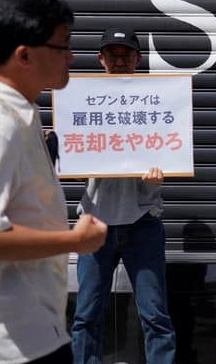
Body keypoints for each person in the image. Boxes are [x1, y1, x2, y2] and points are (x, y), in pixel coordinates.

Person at [0, 0, 108, 363]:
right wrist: (75, 241)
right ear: (24, 55)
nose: (71, 57)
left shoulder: (16, 113)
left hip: (27, 326)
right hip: (9, 341)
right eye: (63, 46)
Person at [70, 27, 177, 364]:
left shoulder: (156, 102)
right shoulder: (82, 100)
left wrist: (163, 170)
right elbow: (71, 160)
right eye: (112, 55)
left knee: (155, 315)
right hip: (94, 224)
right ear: (100, 59)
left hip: (142, 221)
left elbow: (173, 149)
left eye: (125, 55)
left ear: (138, 59)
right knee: (86, 316)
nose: (119, 61)